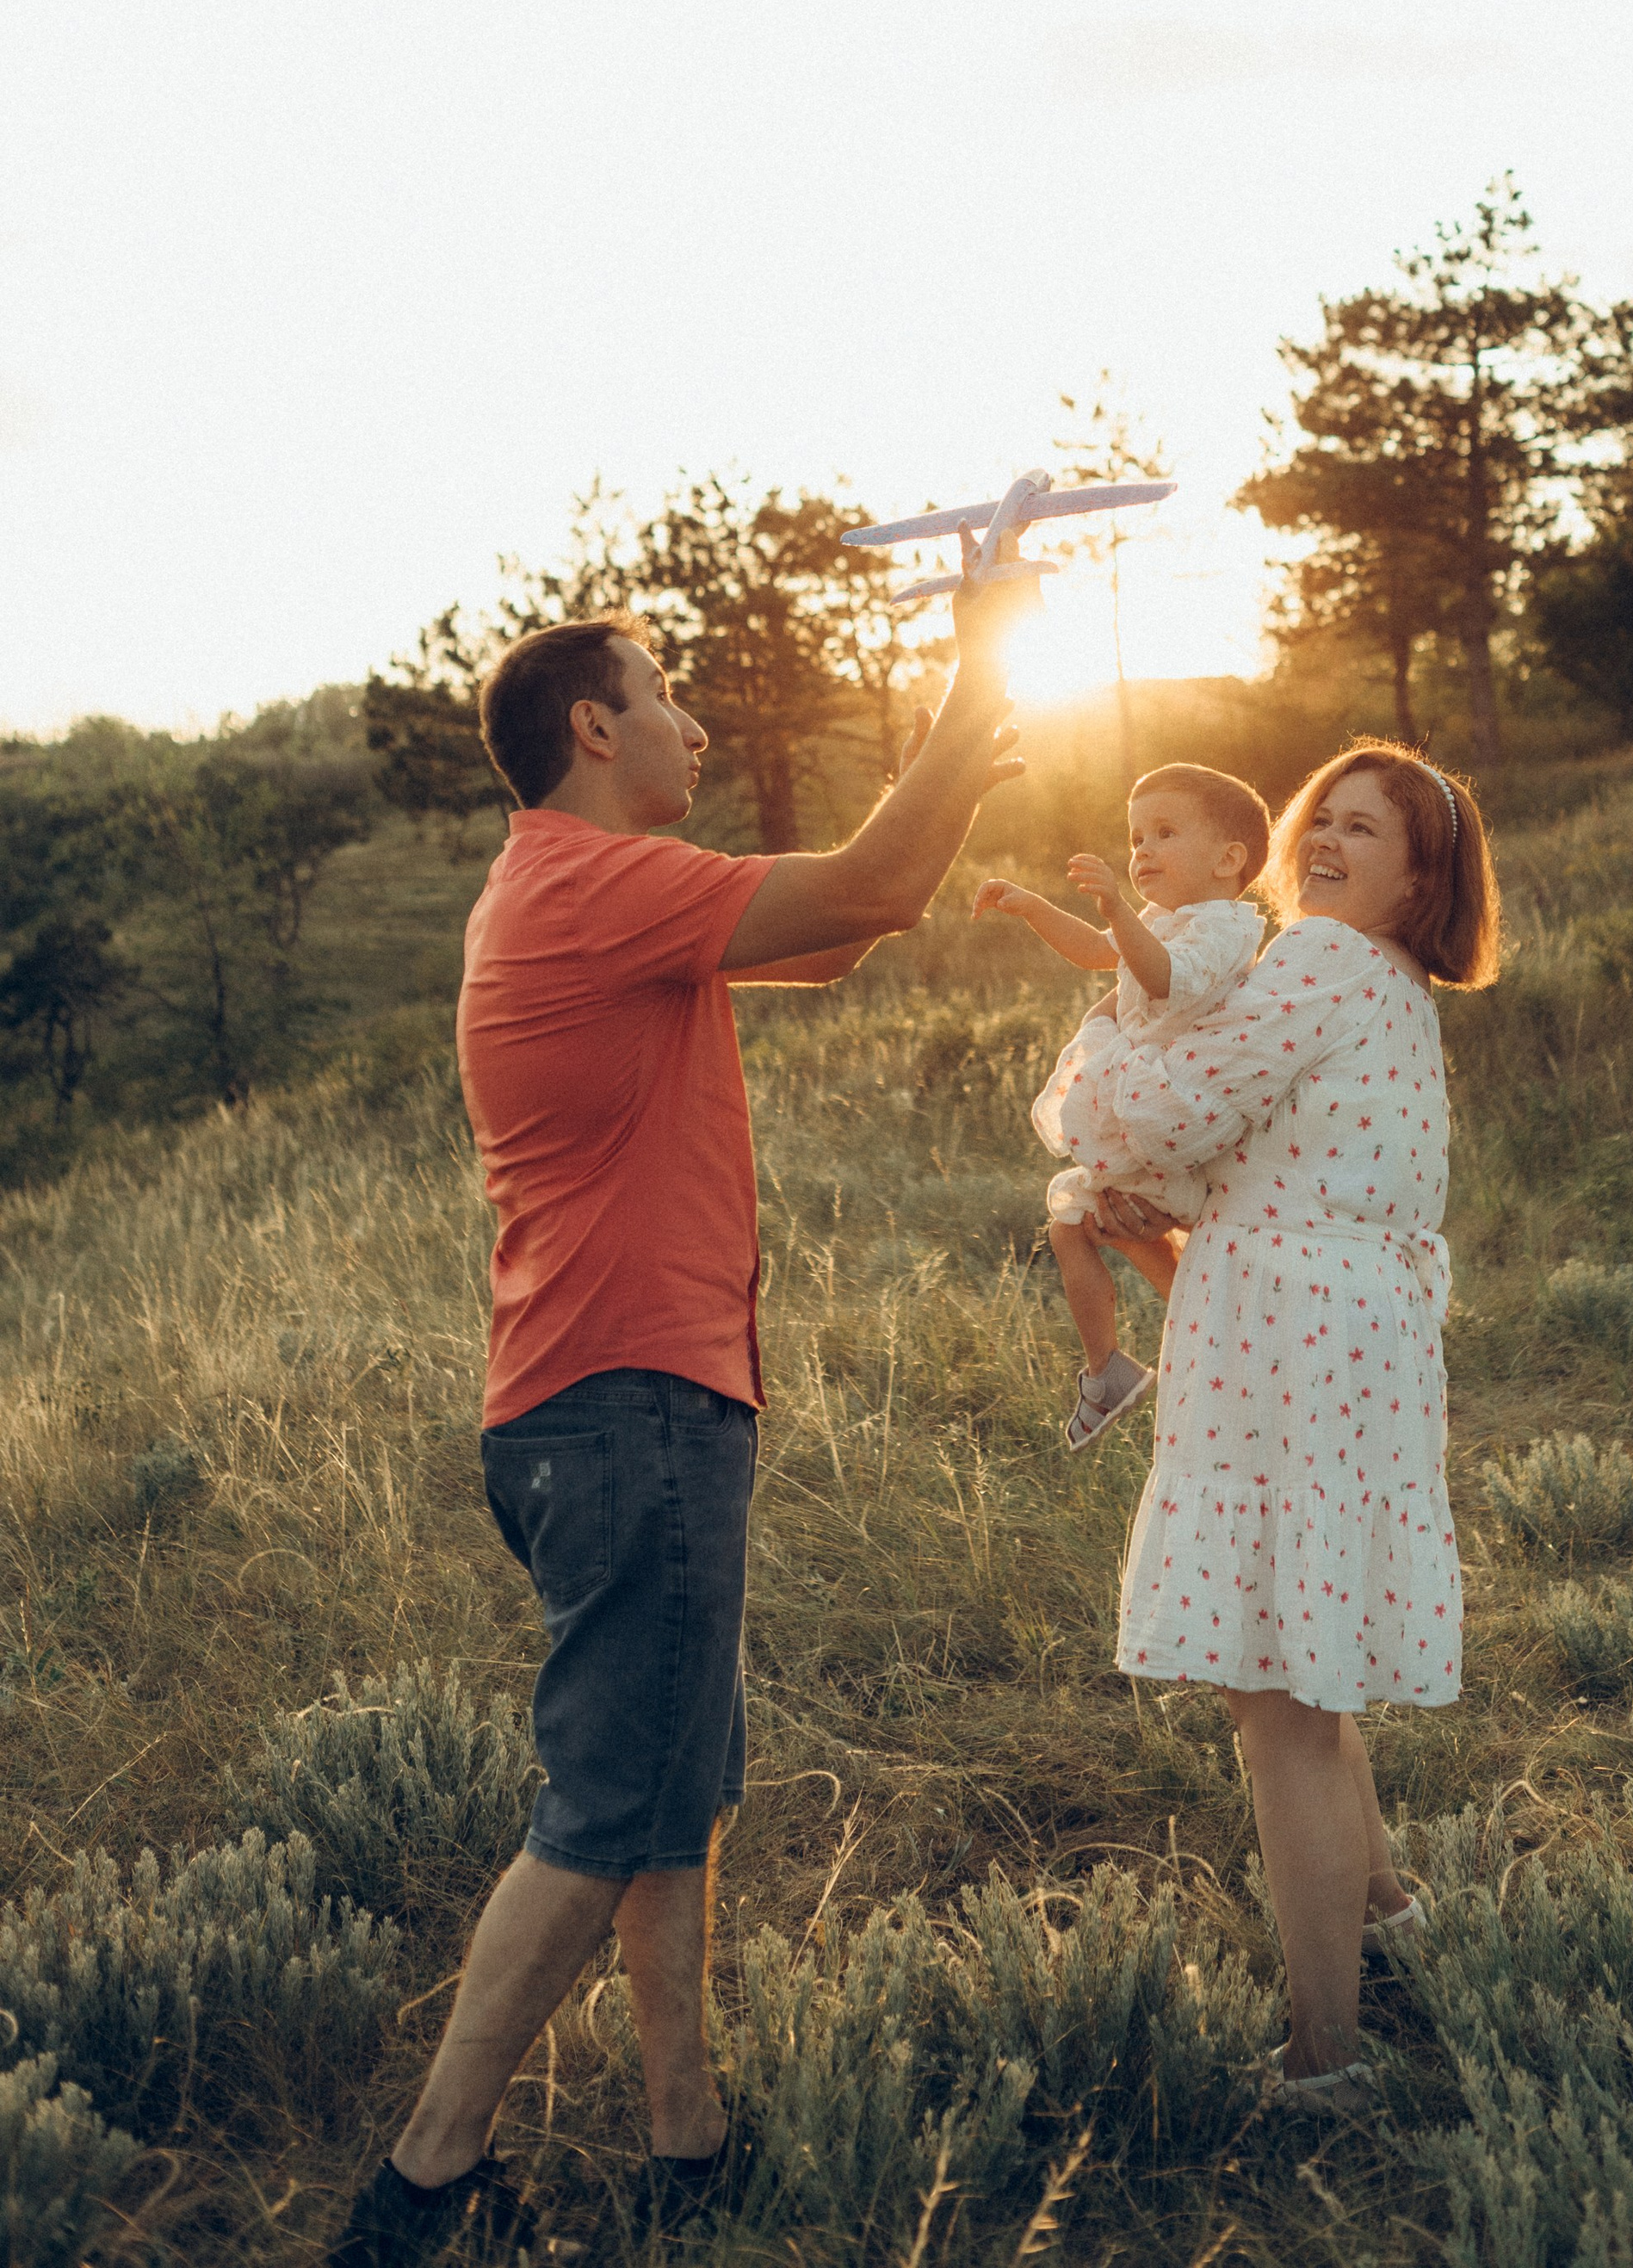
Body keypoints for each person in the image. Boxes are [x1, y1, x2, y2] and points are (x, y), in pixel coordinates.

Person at [331, 563, 1028, 2268]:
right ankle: (419, 2189)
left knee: (665, 1786)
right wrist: (960, 683)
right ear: (591, 726)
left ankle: (684, 2136)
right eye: (665, 697)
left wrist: (956, 763)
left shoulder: (586, 890)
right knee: (603, 1807)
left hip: (608, 1397)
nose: (698, 724)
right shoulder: (586, 885)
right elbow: (867, 875)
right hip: (626, 1397)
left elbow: (856, 927)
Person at [1052, 739, 1500, 2110]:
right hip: (1350, 1330)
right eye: (1324, 818)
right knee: (1311, 1644)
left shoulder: (1311, 964)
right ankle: (1392, 1920)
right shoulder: (1386, 987)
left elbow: (1158, 1106)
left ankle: (1326, 2058)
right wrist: (1172, 1207)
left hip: (1290, 1341)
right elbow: (1273, 1160)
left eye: (1366, 832)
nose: (1326, 843)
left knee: (1277, 1695)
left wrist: (1092, 1083)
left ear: (1420, 879)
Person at [973, 765, 1270, 1447]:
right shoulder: (1163, 917)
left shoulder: (1223, 928)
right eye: (1136, 836)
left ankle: (1205, 1342)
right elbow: (1094, 954)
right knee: (1073, 1226)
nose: (1142, 851)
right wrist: (1032, 906)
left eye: (1165, 833)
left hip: (1174, 1115)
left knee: (1119, 1223)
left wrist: (1117, 912)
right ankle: (1111, 1368)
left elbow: (1167, 981)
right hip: (1141, 1110)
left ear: (1229, 860)